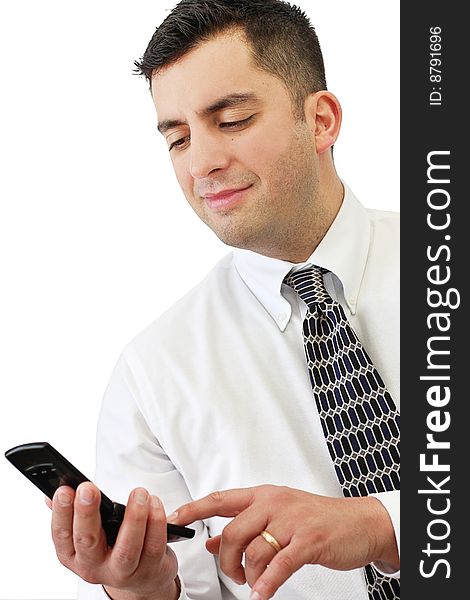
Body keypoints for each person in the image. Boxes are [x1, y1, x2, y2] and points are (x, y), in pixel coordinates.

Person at [47, 1, 400, 599]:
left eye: (231, 120)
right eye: (178, 139)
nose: (202, 163)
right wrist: (147, 590)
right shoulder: (151, 378)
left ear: (321, 121)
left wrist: (385, 525)